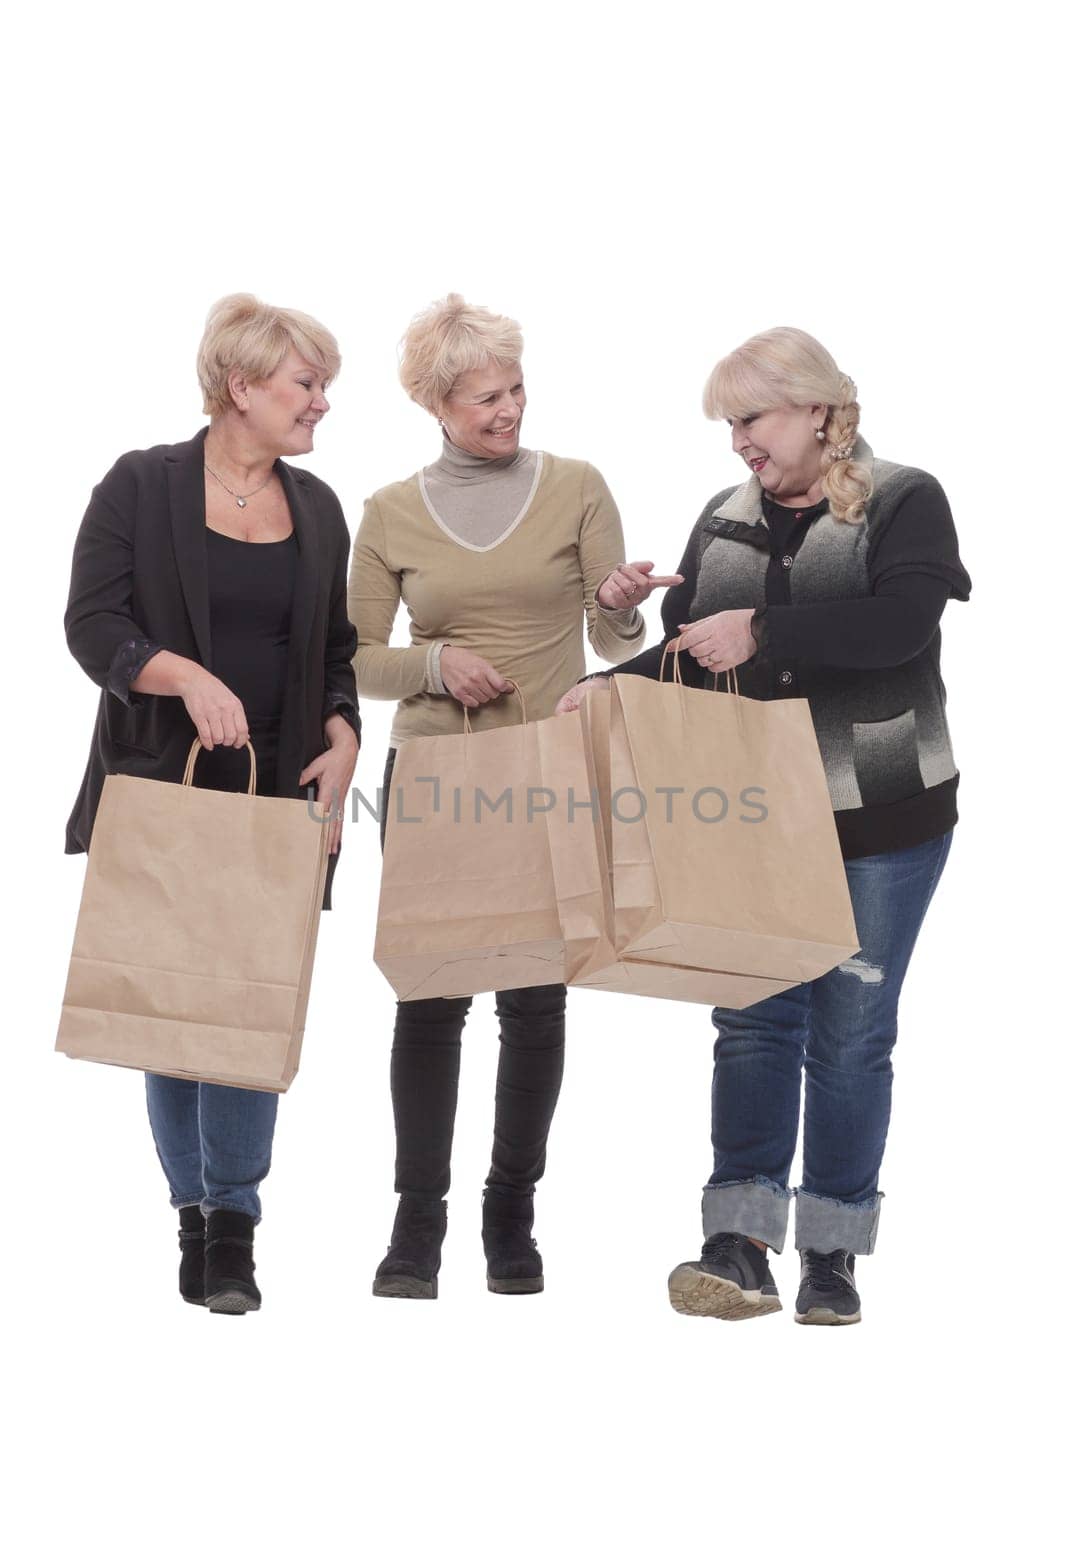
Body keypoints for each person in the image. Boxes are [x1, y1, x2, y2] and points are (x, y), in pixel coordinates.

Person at [557, 326, 969, 1326]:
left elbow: (900, 624)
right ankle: (735, 1244)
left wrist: (767, 628)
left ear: (816, 410)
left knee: (849, 1033)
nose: (734, 441)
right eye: (725, 423)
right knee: (750, 1022)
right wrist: (606, 671)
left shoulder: (902, 496)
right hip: (746, 813)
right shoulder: (722, 517)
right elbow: (699, 649)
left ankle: (830, 1251)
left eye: (748, 418)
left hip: (879, 809)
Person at [349, 292, 678, 1299]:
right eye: (484, 396)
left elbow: (614, 643)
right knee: (430, 998)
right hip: (437, 778)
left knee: (533, 1005)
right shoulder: (388, 513)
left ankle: (510, 1216)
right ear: (435, 404)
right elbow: (354, 658)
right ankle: (416, 1224)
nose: (508, 410)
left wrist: (619, 612)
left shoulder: (576, 485)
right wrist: (436, 664)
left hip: (549, 764)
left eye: (516, 388)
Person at [64, 293, 361, 1314]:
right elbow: (92, 626)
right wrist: (179, 674)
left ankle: (231, 1225)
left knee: (247, 998)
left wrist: (345, 732)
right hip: (160, 786)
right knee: (170, 1006)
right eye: (305, 384)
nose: (322, 402)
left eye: (322, 384)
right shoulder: (141, 486)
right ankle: (193, 1211)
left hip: (279, 797)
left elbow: (334, 651)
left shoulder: (317, 507)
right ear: (240, 386)